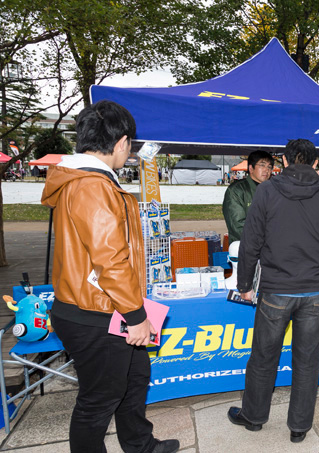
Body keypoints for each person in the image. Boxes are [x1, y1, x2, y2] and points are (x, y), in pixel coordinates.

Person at [41, 100, 178, 453]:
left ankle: (140, 445)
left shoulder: (92, 182)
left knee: (134, 379)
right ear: (121, 143)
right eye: (130, 146)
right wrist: (136, 317)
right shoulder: (92, 186)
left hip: (107, 308)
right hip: (97, 314)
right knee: (98, 401)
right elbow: (111, 259)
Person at [228, 139, 319, 443]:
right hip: (317, 291)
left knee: (263, 357)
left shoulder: (268, 190)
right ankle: (299, 427)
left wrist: (245, 286)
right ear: (314, 162)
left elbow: (250, 241)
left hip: (277, 290)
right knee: (307, 360)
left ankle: (254, 417)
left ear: (284, 160)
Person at [222, 150, 274, 242]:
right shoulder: (236, 190)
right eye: (262, 165)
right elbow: (238, 226)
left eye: (269, 167)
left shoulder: (273, 190)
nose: (267, 170)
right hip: (245, 248)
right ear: (251, 168)